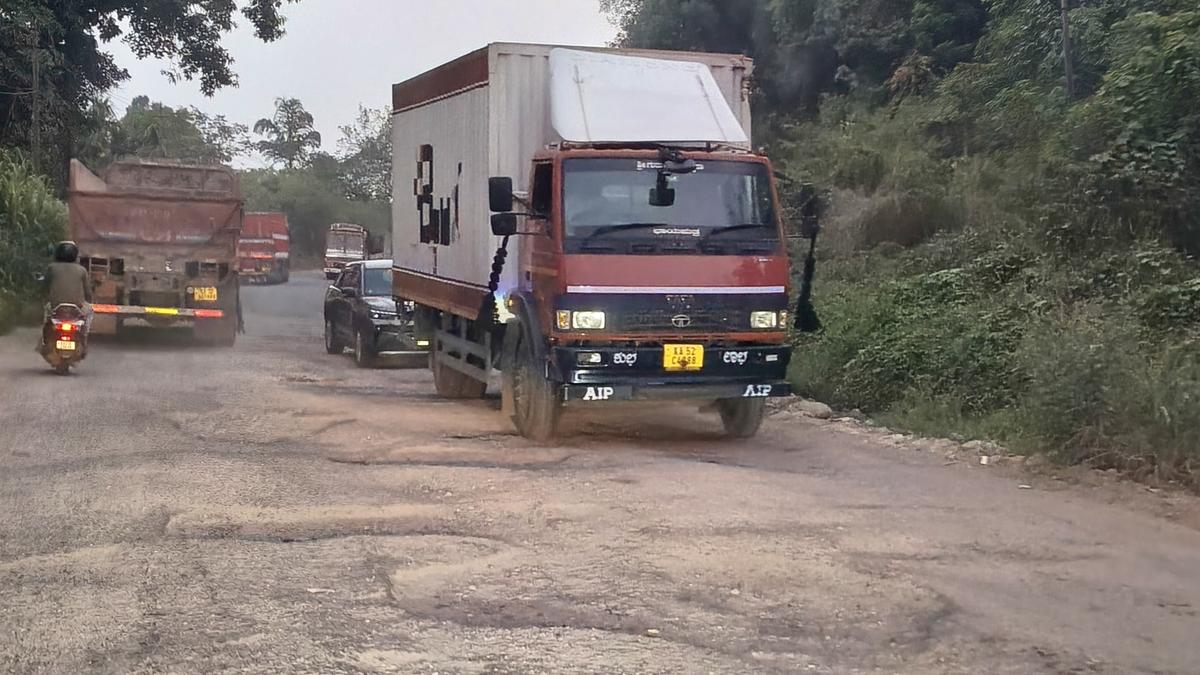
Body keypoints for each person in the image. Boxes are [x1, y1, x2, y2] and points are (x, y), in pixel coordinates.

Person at [40, 241, 93, 353]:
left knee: (47, 318)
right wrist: (89, 301)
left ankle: (45, 340)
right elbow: (88, 292)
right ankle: (84, 337)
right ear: (75, 254)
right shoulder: (82, 270)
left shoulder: (52, 268)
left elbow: (45, 287)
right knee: (90, 312)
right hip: (77, 308)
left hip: (56, 307)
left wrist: (44, 298)